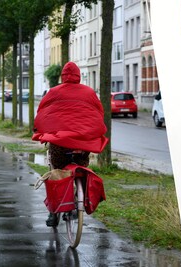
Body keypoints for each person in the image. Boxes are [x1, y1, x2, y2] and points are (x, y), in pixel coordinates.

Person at [32, 61, 109, 227]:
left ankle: (53, 213)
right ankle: (76, 201)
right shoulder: (89, 92)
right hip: (82, 145)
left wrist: (38, 128)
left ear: (62, 76)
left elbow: (44, 111)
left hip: (60, 145)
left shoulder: (54, 92)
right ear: (79, 76)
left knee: (56, 172)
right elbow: (98, 112)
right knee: (81, 168)